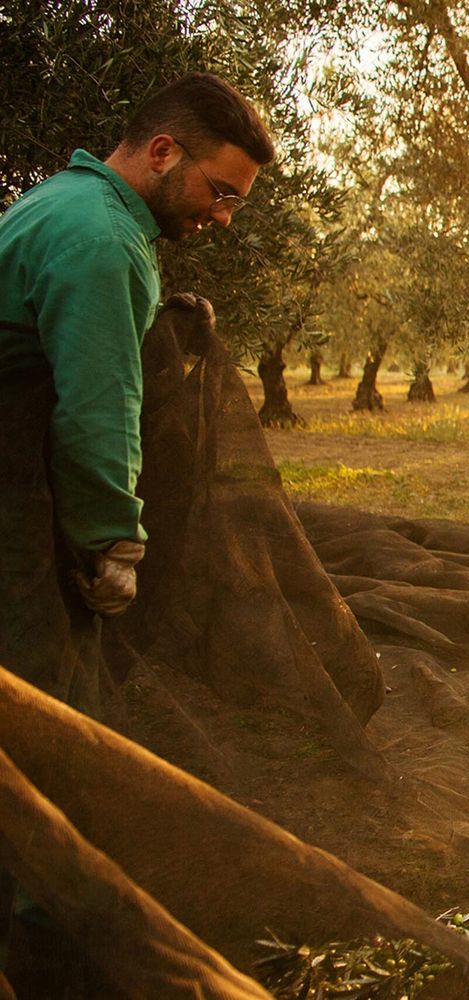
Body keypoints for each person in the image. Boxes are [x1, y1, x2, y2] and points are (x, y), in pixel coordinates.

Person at [0, 72, 274, 996]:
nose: (225, 217)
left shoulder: (57, 203)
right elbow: (95, 409)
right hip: (15, 538)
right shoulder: (105, 239)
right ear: (164, 152)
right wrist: (114, 543)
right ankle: (50, 959)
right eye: (221, 191)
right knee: (56, 741)